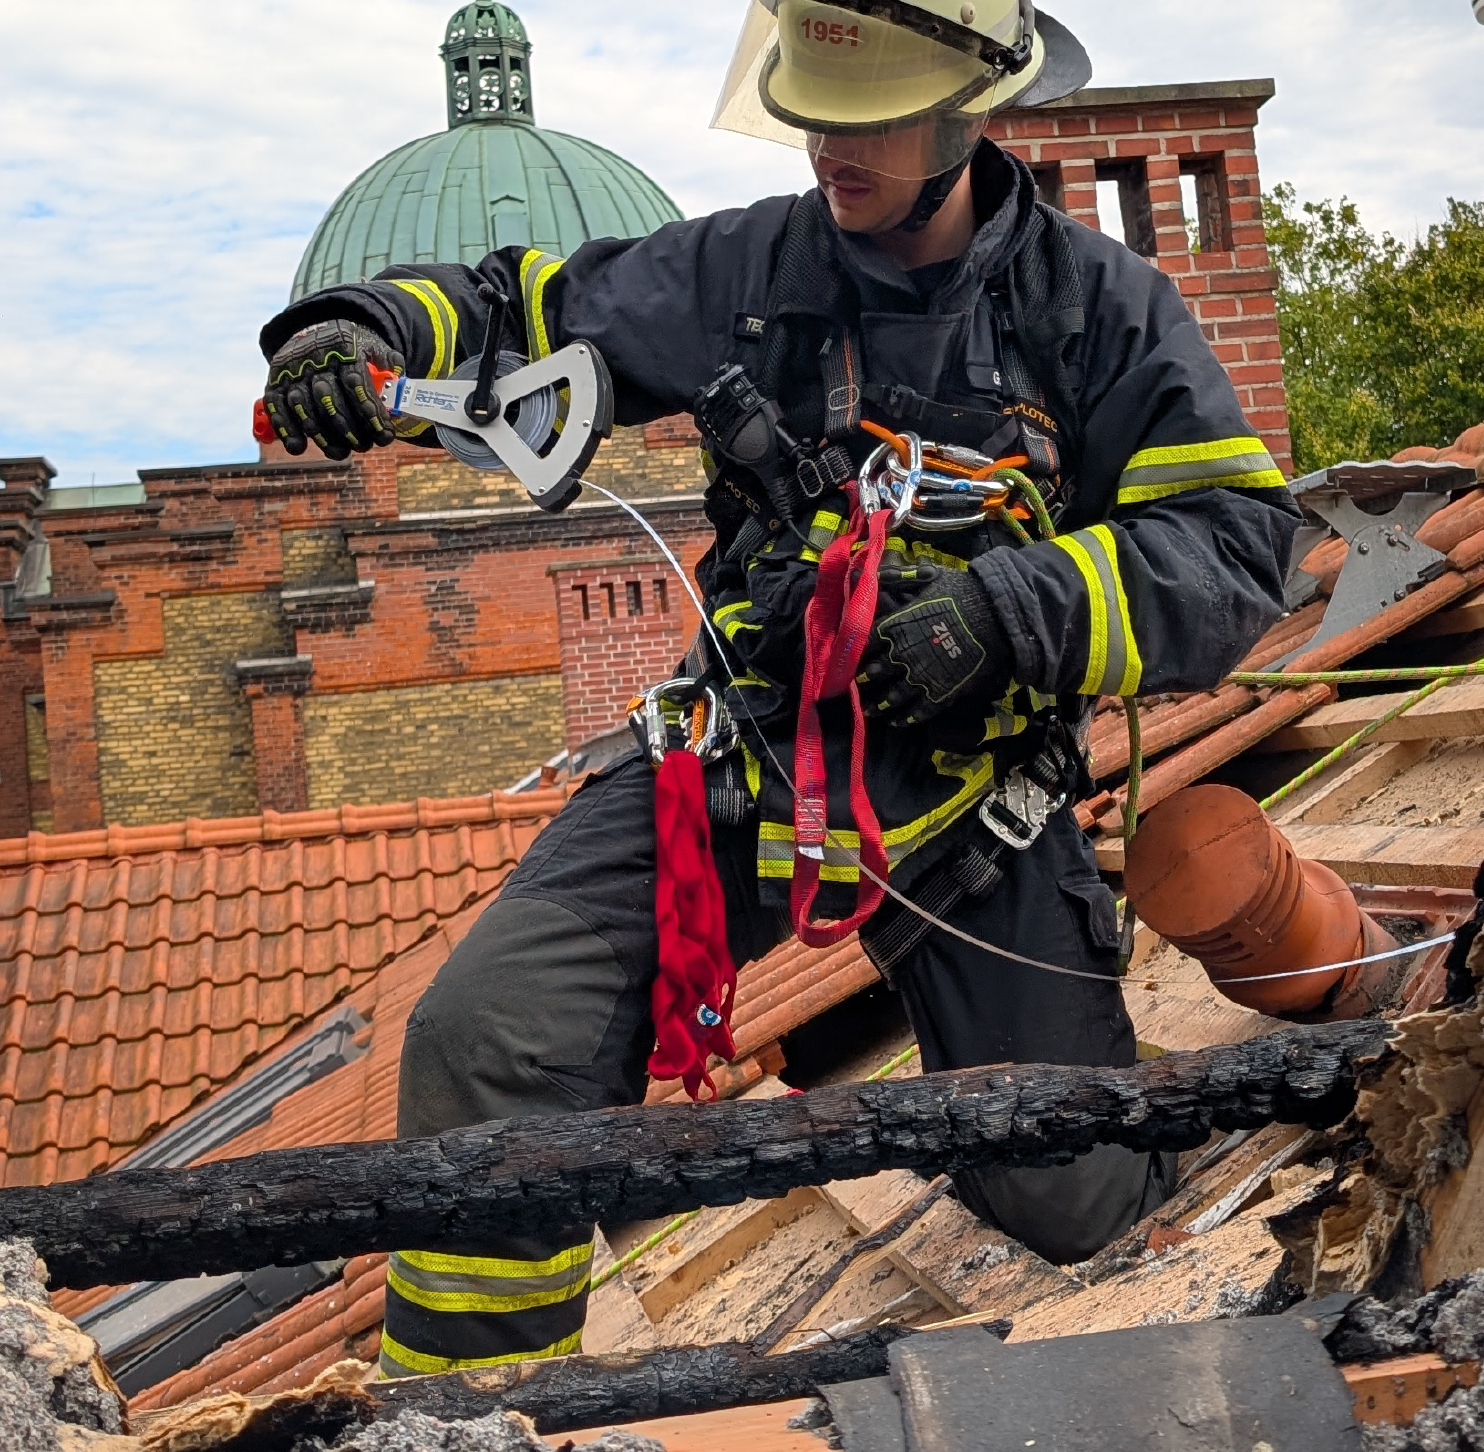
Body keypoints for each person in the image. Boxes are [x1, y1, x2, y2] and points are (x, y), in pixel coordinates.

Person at [258, 0, 1299, 1376]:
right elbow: (525, 305)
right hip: (737, 757)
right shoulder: (746, 267)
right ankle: (467, 1421)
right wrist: (359, 324)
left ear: (967, 115)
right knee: (487, 1037)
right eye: (813, 107)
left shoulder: (1096, 312)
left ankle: (1134, 1182)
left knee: (1068, 1185)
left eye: (868, 119)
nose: (829, 145)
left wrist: (1004, 610)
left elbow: (1233, 547)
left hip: (966, 805)